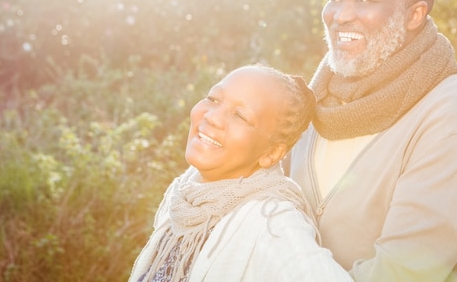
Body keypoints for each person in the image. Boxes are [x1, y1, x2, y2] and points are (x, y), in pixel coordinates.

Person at [288, 0, 457, 282]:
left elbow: (406, 271)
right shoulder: (312, 100)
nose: (340, 15)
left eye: (364, 0)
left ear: (414, 15)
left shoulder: (455, 112)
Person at [128, 65, 353, 282]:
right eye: (214, 99)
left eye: (240, 115)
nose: (212, 117)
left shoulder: (273, 222)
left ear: (271, 153)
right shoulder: (186, 191)